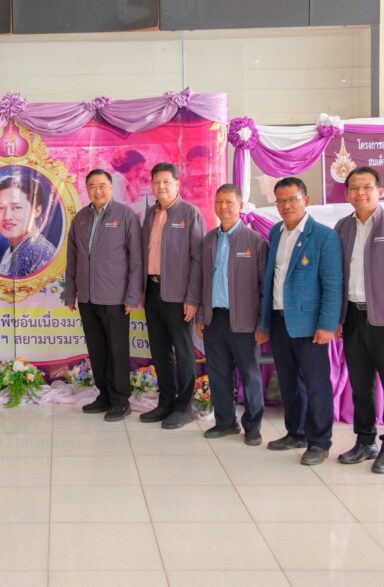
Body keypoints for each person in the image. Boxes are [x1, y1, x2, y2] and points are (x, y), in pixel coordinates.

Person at [334, 167, 384, 474]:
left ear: (380, 191)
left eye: (367, 187)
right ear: (347, 194)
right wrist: (337, 318)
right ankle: (365, 441)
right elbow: (337, 276)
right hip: (352, 317)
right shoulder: (343, 227)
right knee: (360, 385)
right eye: (354, 188)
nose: (360, 193)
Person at [257, 177, 343, 466]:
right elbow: (272, 279)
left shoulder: (324, 237)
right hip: (280, 320)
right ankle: (296, 433)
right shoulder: (276, 232)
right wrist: (265, 322)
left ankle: (319, 442)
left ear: (306, 200)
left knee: (316, 383)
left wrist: (327, 325)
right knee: (289, 381)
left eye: (292, 199)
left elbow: (332, 285)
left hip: (310, 325)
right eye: (280, 201)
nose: (286, 206)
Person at [64, 169, 143, 421]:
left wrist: (132, 296)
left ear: (111, 187)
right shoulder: (80, 218)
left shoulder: (125, 215)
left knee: (117, 351)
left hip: (115, 298)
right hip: (87, 298)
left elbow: (136, 260)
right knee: (97, 350)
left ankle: (120, 401)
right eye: (92, 186)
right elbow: (72, 259)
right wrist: (70, 293)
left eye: (102, 186)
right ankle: (104, 396)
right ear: (86, 189)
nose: (97, 191)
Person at [197, 184, 268, 446]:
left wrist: (262, 324)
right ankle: (225, 422)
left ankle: (253, 426)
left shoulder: (254, 241)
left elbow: (264, 286)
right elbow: (201, 280)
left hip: (245, 322)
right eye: (219, 202)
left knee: (250, 375)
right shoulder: (208, 241)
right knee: (218, 373)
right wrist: (201, 316)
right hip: (214, 319)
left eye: (229, 202)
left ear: (240, 206)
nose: (224, 207)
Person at [140, 163, 204, 429]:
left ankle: (184, 407)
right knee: (160, 350)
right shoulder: (150, 214)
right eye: (157, 182)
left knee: (184, 351)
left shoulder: (190, 213)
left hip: (179, 295)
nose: (161, 187)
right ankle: (165, 402)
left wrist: (192, 298)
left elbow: (198, 260)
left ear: (178, 183)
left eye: (166, 181)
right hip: (153, 291)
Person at [0, 174, 56, 277]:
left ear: (36, 211)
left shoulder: (40, 253)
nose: (7, 216)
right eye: (0, 208)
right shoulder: (14, 248)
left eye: (16, 207)